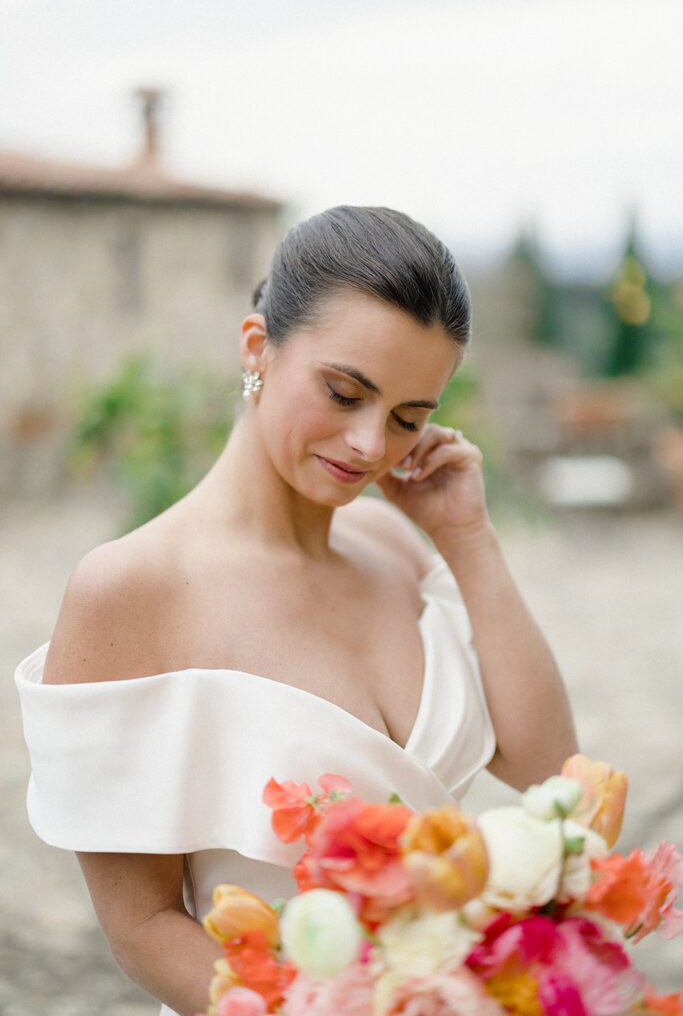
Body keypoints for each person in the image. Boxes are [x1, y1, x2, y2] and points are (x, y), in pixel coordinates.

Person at [16, 205, 577, 1016]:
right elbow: (141, 926)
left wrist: (467, 536)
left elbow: (549, 774)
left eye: (407, 418)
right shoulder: (128, 590)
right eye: (344, 392)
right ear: (257, 349)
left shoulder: (394, 542)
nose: (366, 444)